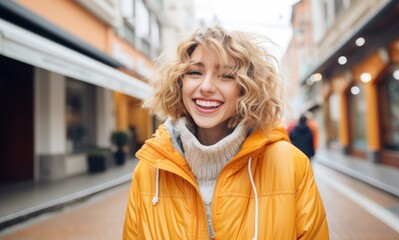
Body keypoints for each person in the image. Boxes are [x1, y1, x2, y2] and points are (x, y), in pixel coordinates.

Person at [122, 26, 329, 239]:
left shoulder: (291, 164)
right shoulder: (149, 169)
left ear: (247, 88)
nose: (207, 86)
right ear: (179, 82)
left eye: (226, 75)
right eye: (195, 72)